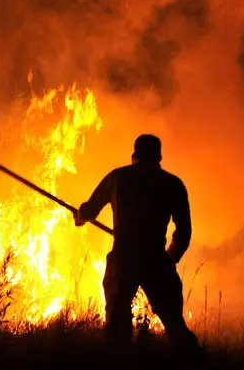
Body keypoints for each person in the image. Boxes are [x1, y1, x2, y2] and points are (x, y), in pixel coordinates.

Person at [74, 134, 200, 355]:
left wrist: (81, 215)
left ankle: (119, 363)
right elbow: (184, 230)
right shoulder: (172, 184)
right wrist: (171, 256)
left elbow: (90, 210)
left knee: (116, 324)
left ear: (134, 155)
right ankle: (193, 362)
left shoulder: (117, 178)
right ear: (159, 156)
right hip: (157, 259)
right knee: (173, 321)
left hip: (124, 259)